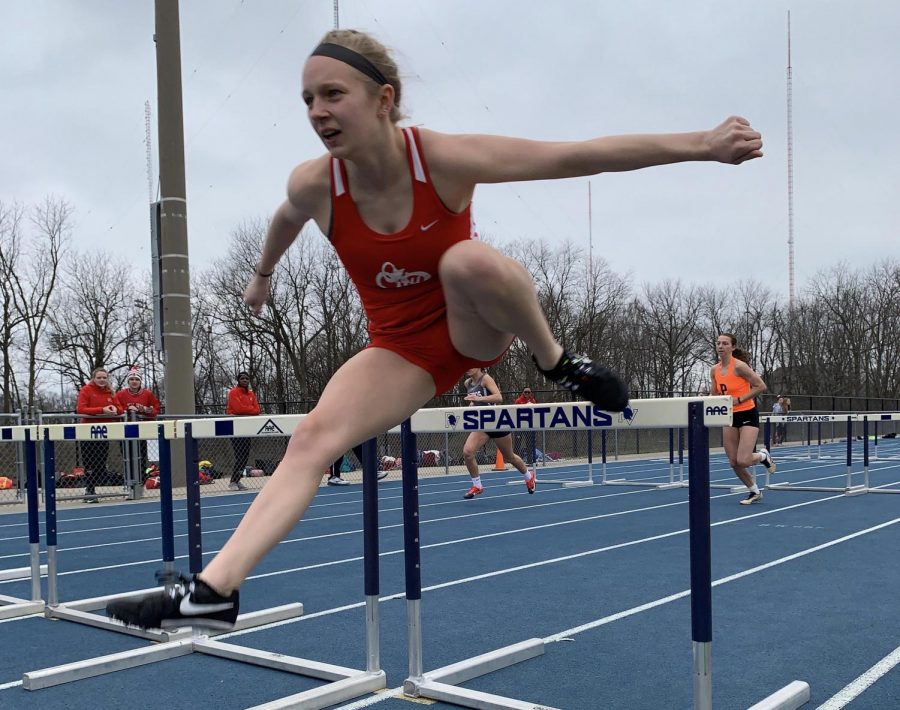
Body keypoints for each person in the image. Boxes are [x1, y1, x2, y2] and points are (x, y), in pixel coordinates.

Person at [107, 28, 763, 629]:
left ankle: (558, 361)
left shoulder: (442, 160)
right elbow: (284, 219)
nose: (317, 112)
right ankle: (216, 589)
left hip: (473, 322)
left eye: (333, 94)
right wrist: (262, 274)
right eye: (307, 99)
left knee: (467, 258)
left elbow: (574, 155)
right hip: (402, 351)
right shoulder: (315, 185)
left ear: (384, 99)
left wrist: (702, 146)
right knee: (311, 436)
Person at [711, 334, 776, 505]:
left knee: (744, 460)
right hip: (729, 416)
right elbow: (715, 394)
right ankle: (754, 491)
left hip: (747, 413)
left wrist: (740, 399)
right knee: (733, 461)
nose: (721, 346)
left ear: (732, 347)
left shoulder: (740, 366)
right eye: (718, 343)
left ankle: (763, 456)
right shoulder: (714, 370)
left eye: (725, 343)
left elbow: (761, 386)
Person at [460, 367, 535, 499]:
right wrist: (472, 404)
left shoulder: (486, 379)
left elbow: (498, 397)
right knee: (468, 452)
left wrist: (479, 399)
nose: (468, 368)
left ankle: (529, 476)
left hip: (497, 422)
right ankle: (477, 485)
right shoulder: (467, 383)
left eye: (471, 365)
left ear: (479, 366)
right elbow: (475, 400)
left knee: (509, 457)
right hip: (482, 424)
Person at [76, 367, 124, 503]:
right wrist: (101, 410)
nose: (102, 380)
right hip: (88, 431)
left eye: (104, 378)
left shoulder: (110, 392)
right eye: (99, 378)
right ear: (94, 378)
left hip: (104, 432)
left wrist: (115, 410)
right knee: (89, 462)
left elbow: (120, 408)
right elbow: (81, 409)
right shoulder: (86, 390)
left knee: (101, 463)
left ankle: (92, 487)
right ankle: (90, 490)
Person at [115, 367, 161, 473]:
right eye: (131, 379)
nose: (134, 382)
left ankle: (141, 480)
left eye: (137, 379)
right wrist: (127, 410)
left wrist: (145, 409)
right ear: (128, 381)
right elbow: (117, 409)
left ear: (140, 381)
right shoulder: (121, 394)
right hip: (126, 430)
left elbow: (156, 410)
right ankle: (129, 479)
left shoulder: (147, 394)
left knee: (141, 456)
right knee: (127, 456)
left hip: (142, 430)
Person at [225, 372, 261, 491]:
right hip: (235, 427)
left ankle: (237, 480)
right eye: (242, 378)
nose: (245, 380)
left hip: (246, 427)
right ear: (238, 380)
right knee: (239, 455)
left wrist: (246, 410)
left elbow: (257, 410)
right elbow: (237, 409)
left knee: (245, 456)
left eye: (247, 378)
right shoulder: (234, 392)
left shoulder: (251, 393)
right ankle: (233, 481)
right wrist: (248, 410)